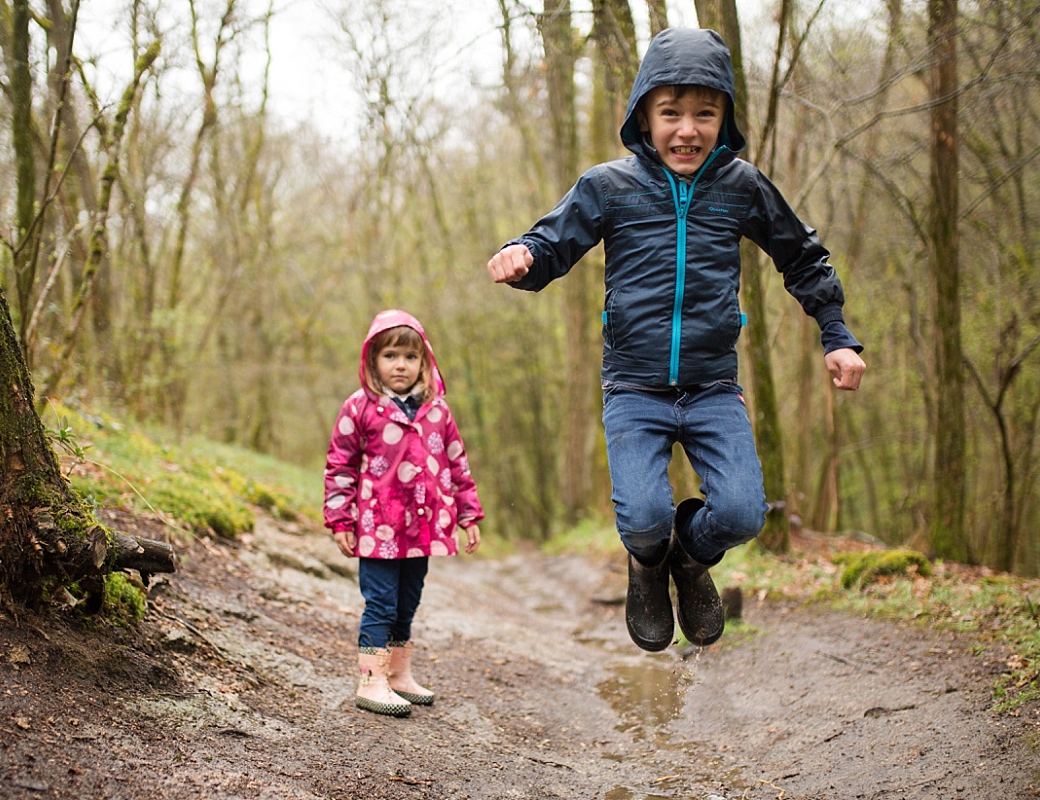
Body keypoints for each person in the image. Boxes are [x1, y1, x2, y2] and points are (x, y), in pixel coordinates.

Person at [487, 28, 865, 653]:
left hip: (713, 385)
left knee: (744, 513)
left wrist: (836, 335)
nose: (687, 130)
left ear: (725, 120)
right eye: (671, 114)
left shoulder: (743, 187)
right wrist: (523, 255)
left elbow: (802, 255)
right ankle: (647, 563)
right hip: (633, 386)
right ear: (643, 116)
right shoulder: (609, 187)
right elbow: (554, 242)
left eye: (704, 114)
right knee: (642, 518)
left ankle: (690, 559)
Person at [324, 309, 483, 716]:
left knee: (408, 600)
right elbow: (340, 466)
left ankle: (398, 673)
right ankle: (371, 679)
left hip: (423, 529)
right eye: (390, 356)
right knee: (381, 602)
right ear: (373, 360)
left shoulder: (437, 411)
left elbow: (457, 464)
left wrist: (468, 515)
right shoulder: (361, 408)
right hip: (378, 526)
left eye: (410, 358)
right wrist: (340, 519)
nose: (400, 365)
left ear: (424, 361)